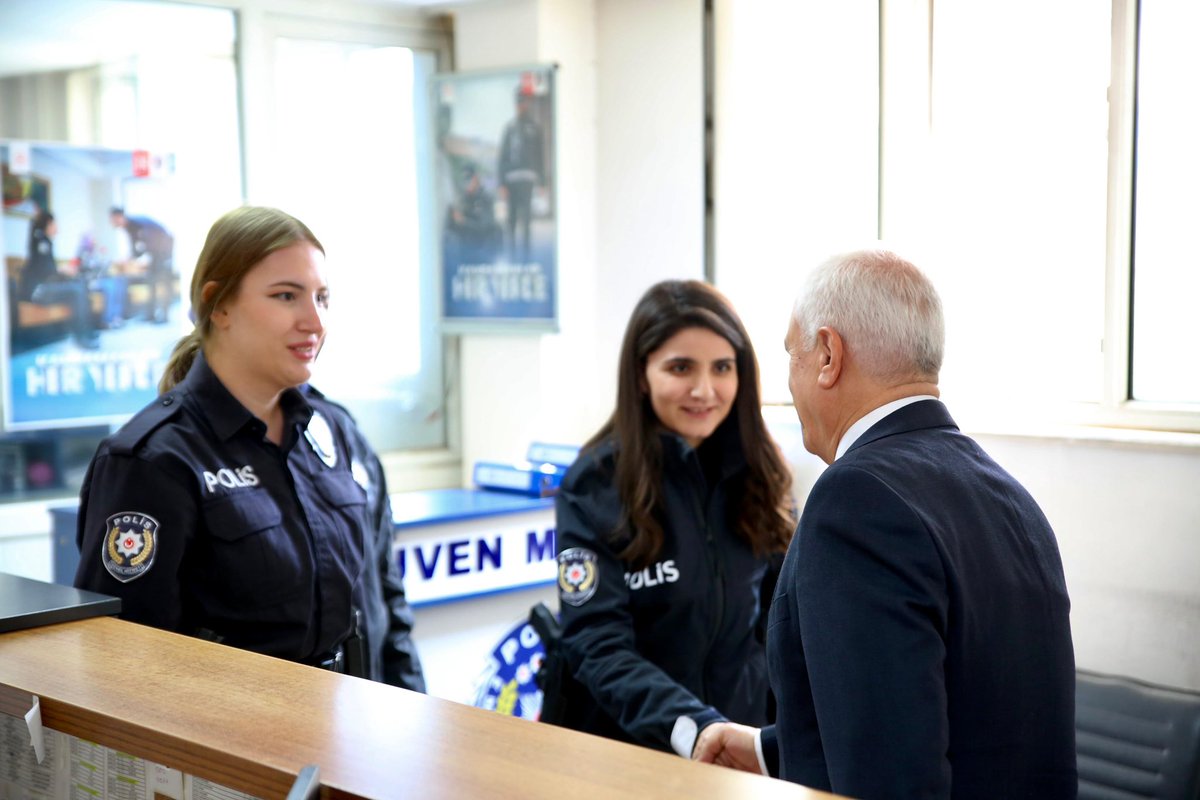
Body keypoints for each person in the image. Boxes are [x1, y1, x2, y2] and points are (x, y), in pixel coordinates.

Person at [693, 249, 1077, 798]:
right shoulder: (1011, 499)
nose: (790, 385)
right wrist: (766, 749)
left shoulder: (855, 502)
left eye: (790, 357)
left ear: (828, 354)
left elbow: (891, 779)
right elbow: (964, 722)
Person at [74, 205, 423, 687]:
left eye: (323, 298)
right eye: (286, 296)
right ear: (218, 305)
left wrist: (413, 715)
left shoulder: (337, 433)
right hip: (233, 746)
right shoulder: (154, 461)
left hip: (353, 728)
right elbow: (121, 667)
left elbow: (387, 604)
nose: (314, 321)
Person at [551, 279, 794, 757]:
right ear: (642, 375)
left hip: (740, 754)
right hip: (630, 756)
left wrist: (769, 733)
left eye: (722, 368)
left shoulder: (763, 475)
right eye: (680, 368)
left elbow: (783, 619)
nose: (704, 390)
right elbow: (597, 645)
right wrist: (695, 730)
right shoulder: (595, 484)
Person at [18, 209, 99, 349]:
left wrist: (63, 272)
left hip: (45, 288)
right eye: (55, 224)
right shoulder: (40, 241)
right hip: (37, 291)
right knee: (76, 291)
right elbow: (46, 271)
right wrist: (63, 270)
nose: (57, 228)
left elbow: (49, 271)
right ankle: (81, 337)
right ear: (48, 224)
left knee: (80, 286)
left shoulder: (45, 242)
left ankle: (87, 330)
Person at [496, 85, 545, 264]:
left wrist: (542, 182)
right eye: (519, 102)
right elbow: (502, 157)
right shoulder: (509, 128)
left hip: (528, 180)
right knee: (512, 219)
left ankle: (526, 256)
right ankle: (512, 254)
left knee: (526, 220)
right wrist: (501, 183)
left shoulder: (535, 128)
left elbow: (540, 156)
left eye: (524, 102)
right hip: (511, 181)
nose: (522, 106)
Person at [109, 206, 175, 323]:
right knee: (151, 283)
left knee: (164, 283)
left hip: (164, 252)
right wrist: (129, 258)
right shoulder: (129, 228)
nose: (112, 222)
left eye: (113, 219)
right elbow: (136, 249)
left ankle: (164, 316)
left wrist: (148, 258)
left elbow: (151, 240)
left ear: (119, 217)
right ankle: (151, 315)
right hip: (155, 254)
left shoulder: (137, 223)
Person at [444, 163, 502, 264]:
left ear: (475, 179)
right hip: (465, 253)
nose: (466, 184)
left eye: (469, 180)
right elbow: (451, 227)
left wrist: (463, 221)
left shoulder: (486, 198)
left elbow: (484, 227)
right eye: (464, 180)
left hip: (483, 253)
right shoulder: (463, 199)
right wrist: (453, 218)